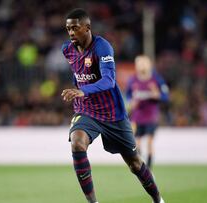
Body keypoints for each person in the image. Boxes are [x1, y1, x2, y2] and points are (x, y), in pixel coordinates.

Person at [61, 8, 165, 203]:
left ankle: (158, 199)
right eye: (68, 29)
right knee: (77, 143)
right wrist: (77, 90)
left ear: (88, 27)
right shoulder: (67, 49)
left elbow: (109, 80)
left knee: (134, 163)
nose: (71, 33)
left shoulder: (102, 47)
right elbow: (78, 72)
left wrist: (84, 90)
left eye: (75, 28)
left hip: (112, 114)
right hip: (86, 110)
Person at [126, 55, 169, 169]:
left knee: (149, 142)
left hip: (151, 116)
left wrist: (158, 95)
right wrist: (131, 102)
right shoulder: (133, 79)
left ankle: (149, 167)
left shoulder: (156, 79)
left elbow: (165, 96)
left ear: (149, 65)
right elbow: (128, 95)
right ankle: (140, 165)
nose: (141, 66)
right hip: (137, 115)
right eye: (139, 64)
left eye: (144, 63)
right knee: (136, 142)